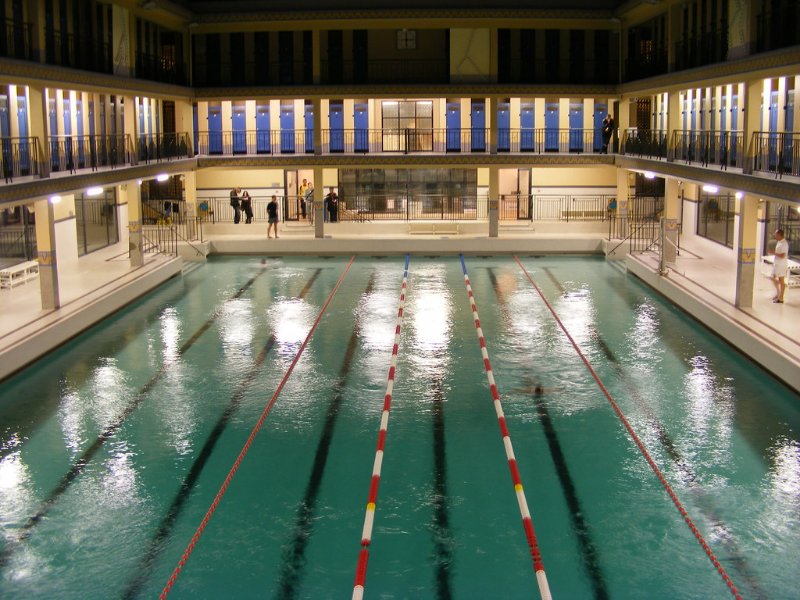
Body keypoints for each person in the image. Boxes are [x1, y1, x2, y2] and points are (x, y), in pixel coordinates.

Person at [771, 228, 789, 303]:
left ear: (779, 235)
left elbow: (782, 255)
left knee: (781, 281)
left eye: (776, 234)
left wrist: (773, 253)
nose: (775, 236)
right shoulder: (779, 242)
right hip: (777, 264)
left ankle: (781, 298)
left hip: (781, 265)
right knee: (772, 277)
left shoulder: (784, 244)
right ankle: (778, 293)